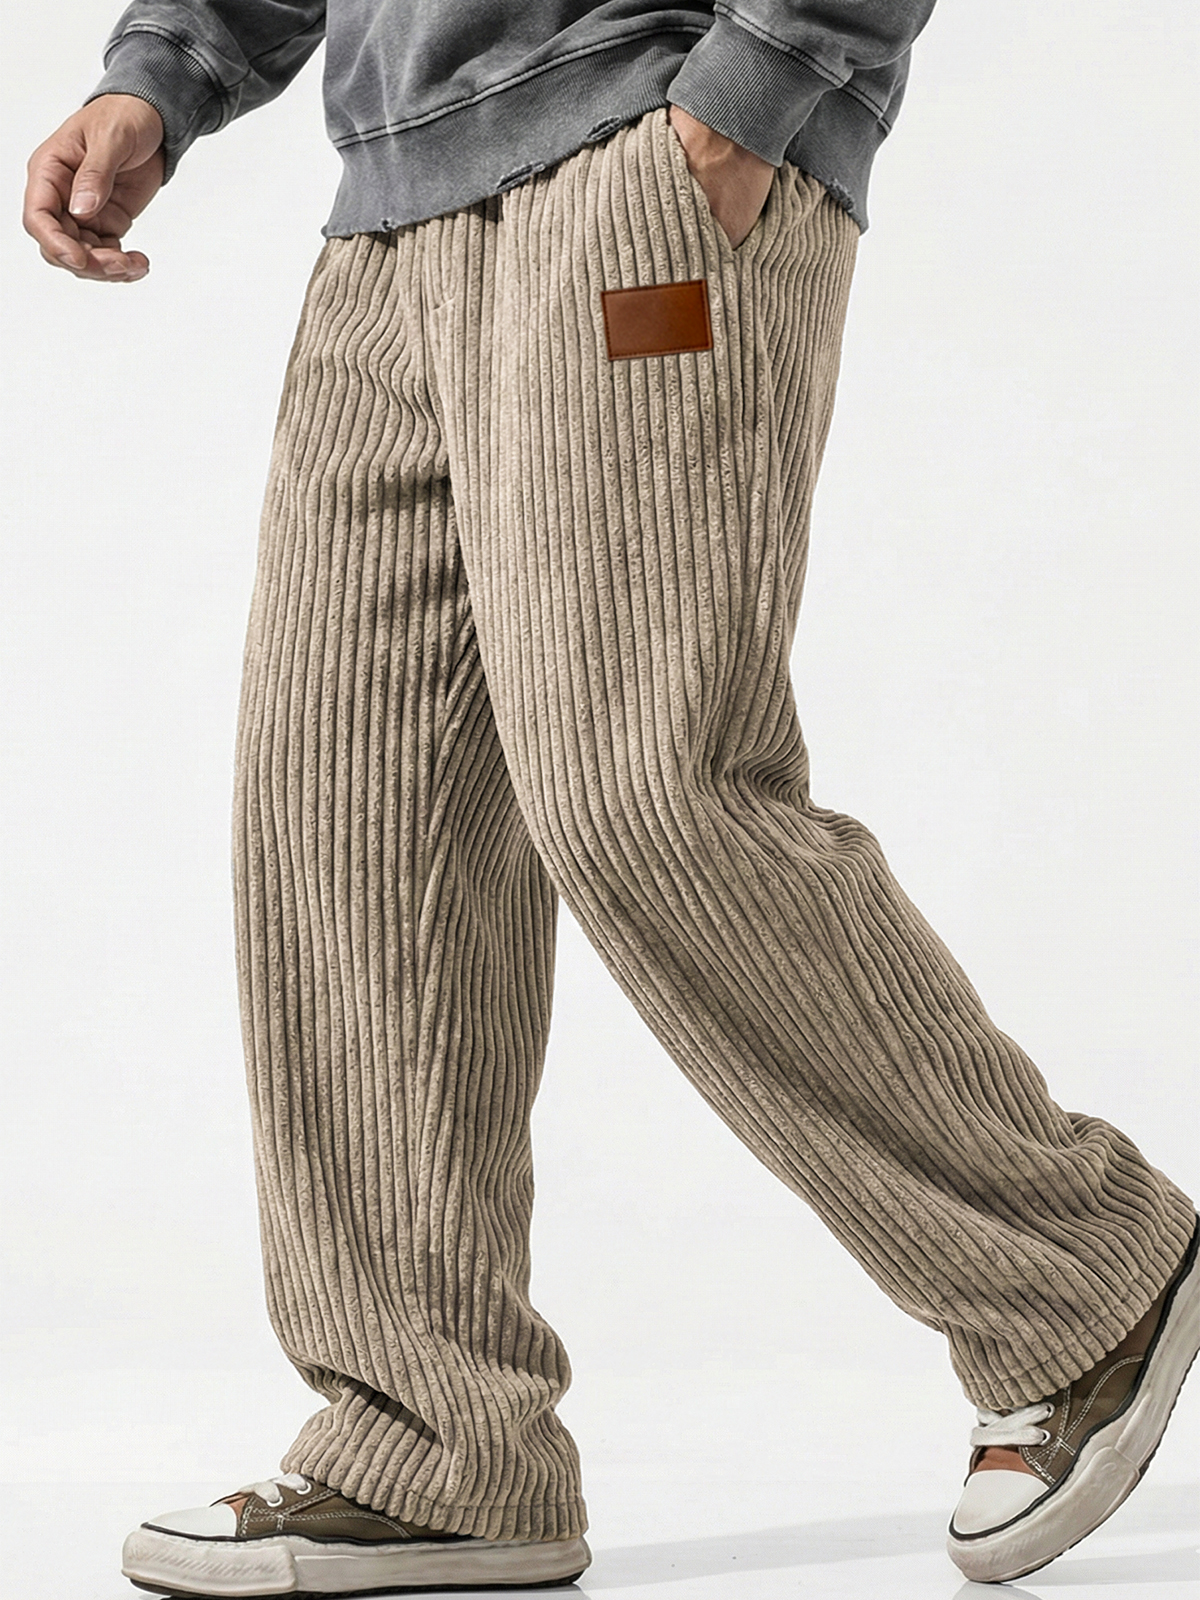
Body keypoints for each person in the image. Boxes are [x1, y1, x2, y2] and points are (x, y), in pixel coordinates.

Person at [23, 2, 1198, 1593]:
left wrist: (757, 84)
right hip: (385, 217)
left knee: (644, 794)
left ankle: (1078, 1273)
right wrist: (164, 72)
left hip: (644, 150)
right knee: (344, 824)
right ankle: (435, 1448)